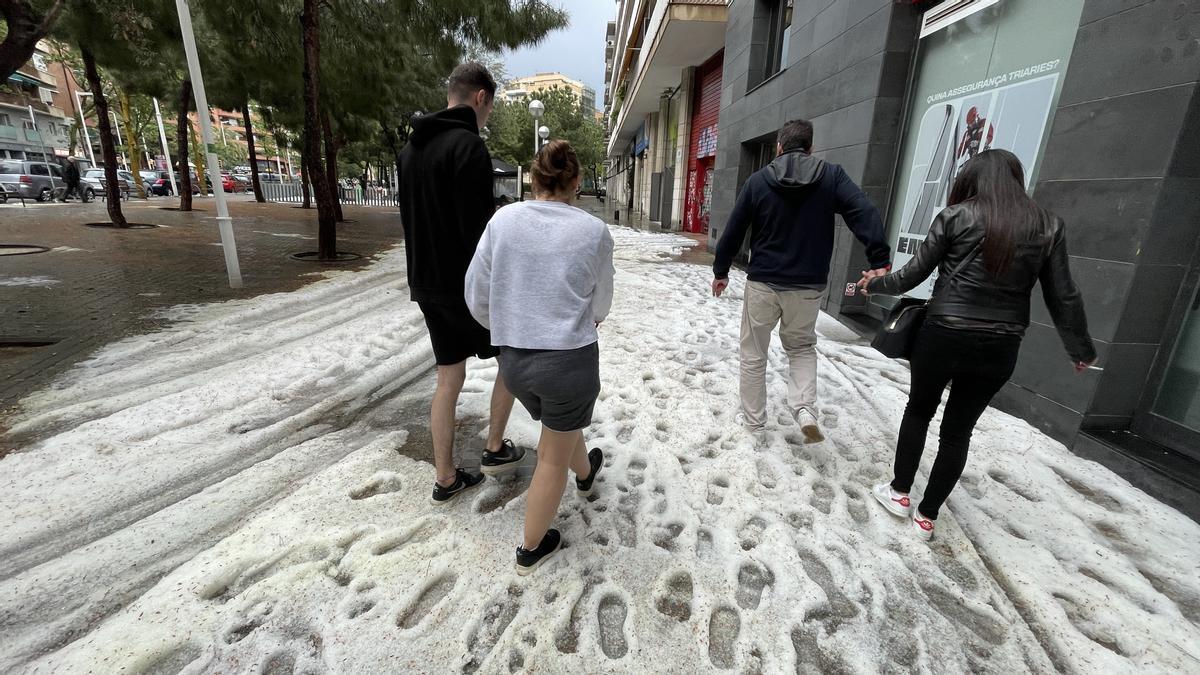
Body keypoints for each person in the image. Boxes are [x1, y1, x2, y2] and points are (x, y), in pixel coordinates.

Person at [860, 149, 1096, 541]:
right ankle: (927, 517)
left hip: (943, 334)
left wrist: (873, 283)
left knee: (919, 410)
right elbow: (1064, 295)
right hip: (1001, 344)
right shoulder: (1048, 225)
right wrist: (1081, 348)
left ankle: (899, 493)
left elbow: (910, 276)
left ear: (973, 179)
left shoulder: (956, 216)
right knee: (958, 432)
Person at [465, 140, 614, 575]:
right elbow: (601, 302)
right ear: (577, 183)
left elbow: (477, 291)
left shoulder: (503, 221)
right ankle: (532, 547)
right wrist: (586, 319)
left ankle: (586, 474)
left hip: (516, 363)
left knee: (559, 426)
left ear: (533, 177)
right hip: (569, 360)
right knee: (553, 452)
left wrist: (509, 324)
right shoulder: (592, 231)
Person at [711, 119, 892, 442]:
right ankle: (804, 408)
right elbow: (864, 211)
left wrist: (721, 271)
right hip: (808, 287)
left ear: (779, 147)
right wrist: (879, 258)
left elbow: (733, 231)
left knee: (754, 352)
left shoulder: (758, 180)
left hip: (764, 283)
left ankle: (754, 423)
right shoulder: (831, 176)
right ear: (810, 147)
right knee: (802, 347)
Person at [397, 62, 522, 505]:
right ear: (481, 98)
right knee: (511, 356)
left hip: (426, 284)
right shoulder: (468, 146)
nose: (487, 117)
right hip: (466, 287)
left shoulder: (409, 150)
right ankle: (493, 448)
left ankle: (446, 477)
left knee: (448, 377)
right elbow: (479, 232)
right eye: (490, 108)